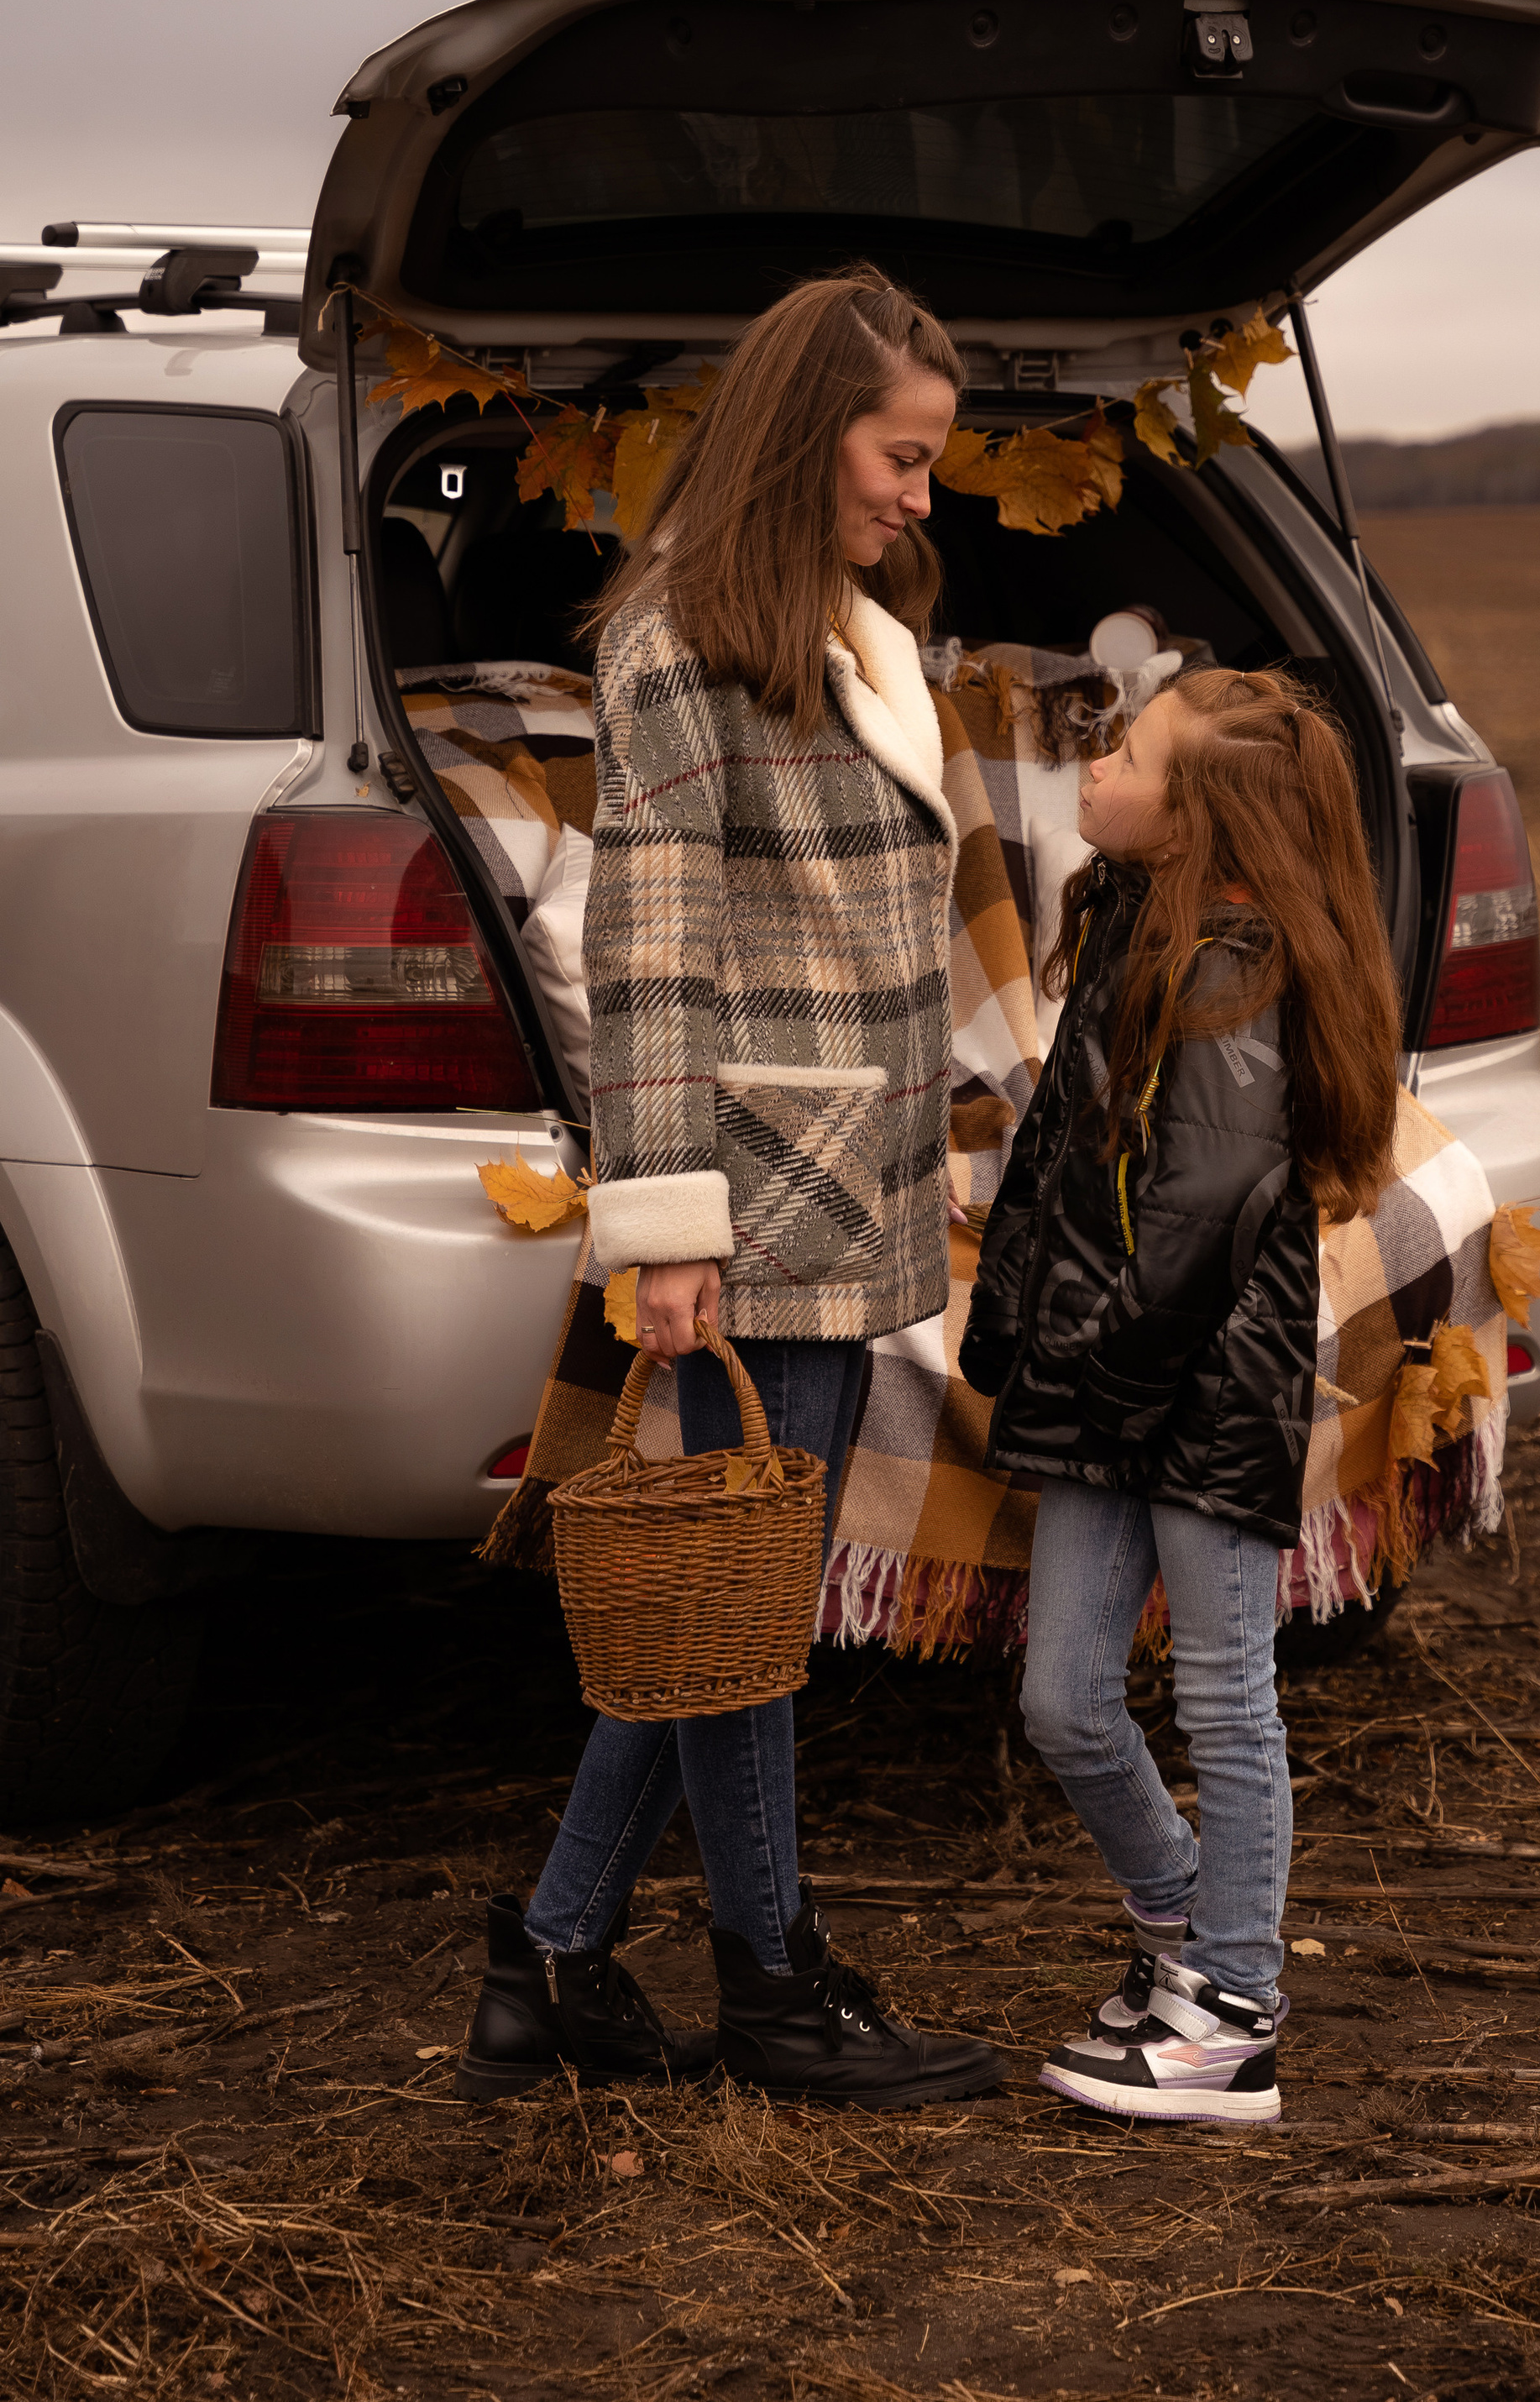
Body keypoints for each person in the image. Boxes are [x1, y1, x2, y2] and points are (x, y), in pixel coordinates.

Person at [456, 264, 1003, 2110]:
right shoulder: (681, 640)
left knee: (723, 1597)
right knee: (741, 1609)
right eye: (898, 454)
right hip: (757, 1196)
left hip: (840, 1181)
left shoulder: (849, 630)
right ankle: (768, 1987)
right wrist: (668, 1231)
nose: (920, 494)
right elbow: (654, 952)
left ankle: (549, 1965)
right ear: (801, 433)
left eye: (927, 461)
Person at [959, 671, 1400, 2124]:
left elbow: (1200, 1223)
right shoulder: (1134, 933)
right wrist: (1014, 1334)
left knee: (1225, 1699)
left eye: (1128, 752)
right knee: (1066, 1702)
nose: (1092, 764)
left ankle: (1231, 2010)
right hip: (1109, 1383)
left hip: (1199, 1393)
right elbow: (1067, 1178)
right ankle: (1177, 1935)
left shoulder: (1231, 973)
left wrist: (1087, 1364)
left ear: (1198, 816)